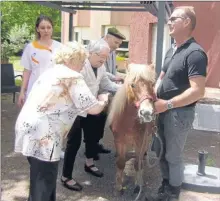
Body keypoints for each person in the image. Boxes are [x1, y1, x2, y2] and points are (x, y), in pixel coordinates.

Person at [14, 41, 109, 201]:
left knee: (41, 180)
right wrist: (103, 99)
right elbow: (93, 108)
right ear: (73, 59)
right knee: (43, 184)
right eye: (82, 60)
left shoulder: (52, 72)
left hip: (27, 129)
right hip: (44, 136)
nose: (83, 65)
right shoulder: (72, 76)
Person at [146, 6, 208, 201]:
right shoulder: (172, 49)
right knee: (161, 151)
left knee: (173, 155)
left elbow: (198, 90)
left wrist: (168, 104)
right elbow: (162, 76)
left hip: (177, 113)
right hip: (163, 110)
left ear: (187, 22)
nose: (169, 22)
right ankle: (165, 188)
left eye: (174, 18)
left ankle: (172, 194)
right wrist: (153, 93)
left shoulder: (195, 53)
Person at [61, 40, 120, 191]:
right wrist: (102, 101)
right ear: (91, 53)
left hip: (92, 107)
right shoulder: (79, 66)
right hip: (76, 110)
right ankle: (66, 175)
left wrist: (125, 88)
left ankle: (90, 163)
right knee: (73, 142)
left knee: (92, 138)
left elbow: (106, 84)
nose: (103, 60)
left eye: (106, 57)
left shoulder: (101, 67)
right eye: (101, 56)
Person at [17, 15, 62, 108]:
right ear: (37, 29)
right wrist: (22, 91)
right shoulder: (31, 47)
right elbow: (27, 71)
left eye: (49, 27)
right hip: (35, 90)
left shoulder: (60, 47)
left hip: (54, 91)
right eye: (42, 28)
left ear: (52, 28)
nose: (46, 30)